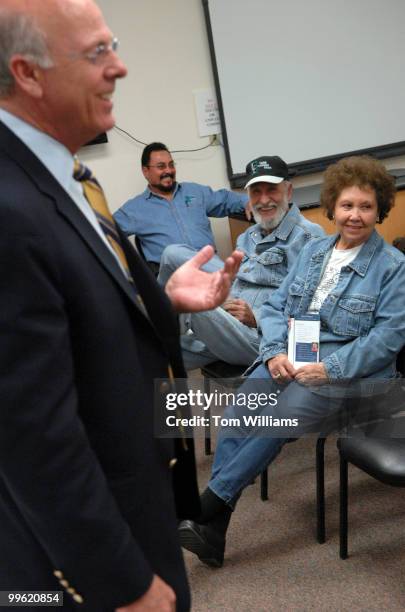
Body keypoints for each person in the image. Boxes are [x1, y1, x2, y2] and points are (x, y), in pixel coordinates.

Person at [0, 1, 243, 610]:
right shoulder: (8, 207)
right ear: (28, 73)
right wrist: (122, 583)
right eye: (98, 52)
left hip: (140, 489)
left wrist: (166, 302)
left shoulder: (66, 173)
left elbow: (69, 322)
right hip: (89, 555)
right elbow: (31, 434)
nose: (121, 68)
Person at [178, 155, 405, 568]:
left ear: (380, 210)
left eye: (366, 207)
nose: (355, 216)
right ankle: (215, 527)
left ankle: (206, 505)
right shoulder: (315, 251)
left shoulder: (392, 267)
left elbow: (387, 340)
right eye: (347, 206)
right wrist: (275, 351)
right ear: (333, 206)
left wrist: (328, 369)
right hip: (293, 357)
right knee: (237, 416)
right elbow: (274, 307)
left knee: (276, 420)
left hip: (352, 375)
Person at [158, 155, 324, 369]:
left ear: (288, 191)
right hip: (231, 322)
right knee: (153, 351)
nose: (263, 200)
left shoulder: (309, 237)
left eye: (271, 189)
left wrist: (256, 317)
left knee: (192, 300)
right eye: (256, 192)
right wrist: (225, 304)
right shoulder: (248, 236)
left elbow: (313, 310)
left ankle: (170, 319)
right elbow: (239, 285)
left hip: (264, 338)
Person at [113, 142, 249, 274]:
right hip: (173, 278)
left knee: (247, 239)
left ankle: (231, 281)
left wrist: (247, 201)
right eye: (161, 166)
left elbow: (225, 199)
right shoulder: (135, 209)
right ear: (145, 171)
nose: (168, 171)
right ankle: (231, 277)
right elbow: (105, 231)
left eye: (171, 165)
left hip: (208, 268)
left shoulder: (194, 191)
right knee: (172, 252)